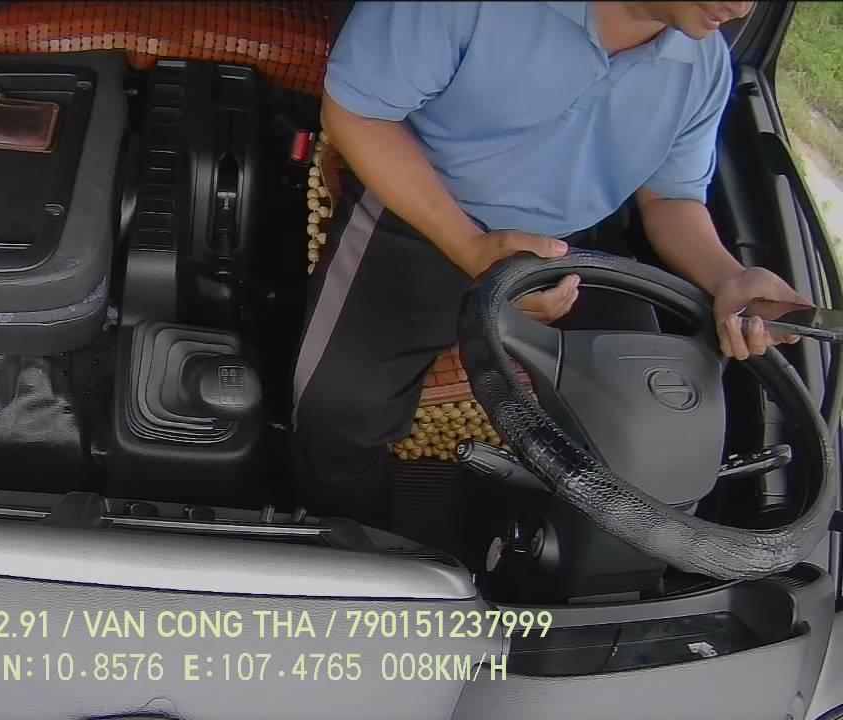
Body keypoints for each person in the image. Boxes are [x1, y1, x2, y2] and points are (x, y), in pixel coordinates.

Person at [291, 1, 807, 525]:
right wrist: (471, 247)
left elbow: (671, 198)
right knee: (336, 413)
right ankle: (357, 540)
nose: (742, 7)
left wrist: (728, 276)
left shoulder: (705, 65)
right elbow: (359, 114)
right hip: (423, 212)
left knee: (654, 416)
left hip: (575, 247)